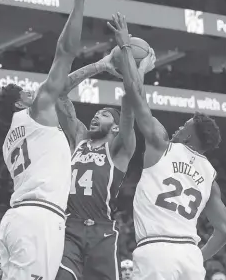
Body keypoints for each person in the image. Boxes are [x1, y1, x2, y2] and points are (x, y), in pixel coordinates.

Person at [107, 12, 226, 280]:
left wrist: (127, 48)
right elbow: (224, 231)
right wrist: (198, 256)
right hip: (189, 257)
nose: (177, 128)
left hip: (156, 252)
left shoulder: (161, 145)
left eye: (183, 126)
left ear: (188, 136)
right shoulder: (210, 176)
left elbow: (135, 94)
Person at [0, 0, 94, 280]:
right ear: (21, 101)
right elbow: (65, 50)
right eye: (26, 89)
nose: (32, 90)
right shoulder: (35, 112)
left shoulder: (12, 137)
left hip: (21, 219)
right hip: (37, 221)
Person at [53, 48, 154, 280]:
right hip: (69, 227)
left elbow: (130, 102)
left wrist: (138, 70)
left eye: (104, 114)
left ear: (116, 128)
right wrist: (100, 65)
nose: (96, 116)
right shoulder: (79, 137)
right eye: (96, 114)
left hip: (102, 231)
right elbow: (60, 93)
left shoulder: (120, 149)